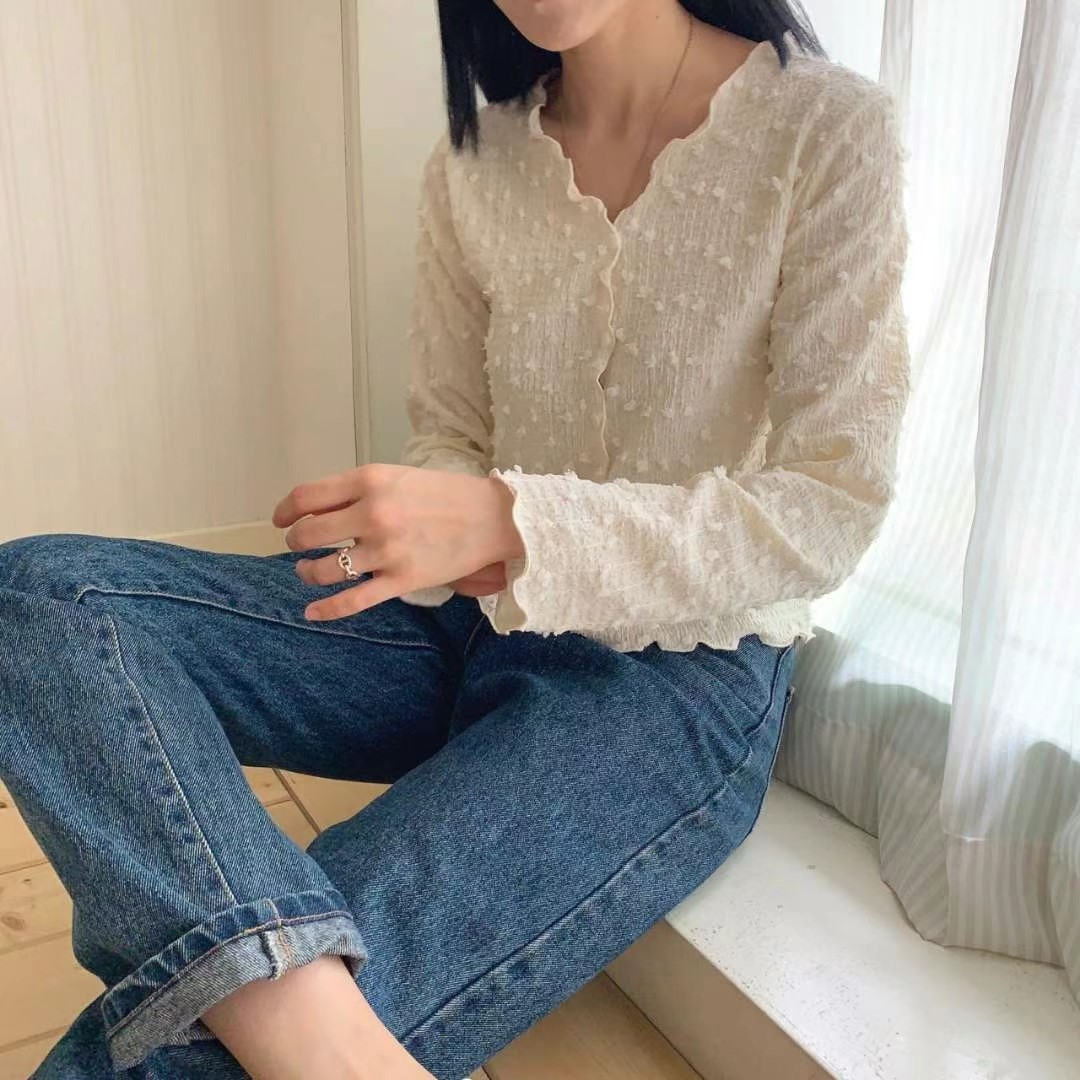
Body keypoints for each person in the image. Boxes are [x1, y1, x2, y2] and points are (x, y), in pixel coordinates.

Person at [0, 0, 910, 1077]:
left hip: (672, 674)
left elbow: (829, 504)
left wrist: (520, 523)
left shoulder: (827, 130)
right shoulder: (476, 162)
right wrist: (429, 518)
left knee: (205, 1047)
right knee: (37, 601)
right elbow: (452, 432)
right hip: (450, 619)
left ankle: (293, 1016)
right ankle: (307, 1016)